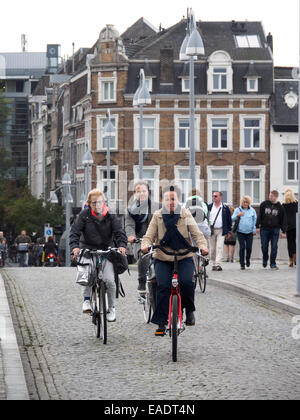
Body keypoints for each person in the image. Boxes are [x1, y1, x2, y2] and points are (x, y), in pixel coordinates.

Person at [141, 185, 208, 336]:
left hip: (184, 256)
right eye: (167, 199)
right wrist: (145, 245)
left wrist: (203, 247)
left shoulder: (186, 215)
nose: (170, 202)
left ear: (178, 200)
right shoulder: (157, 216)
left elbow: (197, 235)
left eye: (173, 199)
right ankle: (161, 321)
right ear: (162, 200)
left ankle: (189, 311)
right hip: (163, 257)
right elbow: (148, 236)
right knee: (163, 285)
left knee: (186, 283)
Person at [70, 189, 127, 322]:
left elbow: (119, 231)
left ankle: (111, 308)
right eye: (94, 203)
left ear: (104, 202)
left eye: (100, 202)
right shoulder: (84, 215)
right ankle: (86, 300)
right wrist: (75, 247)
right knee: (87, 275)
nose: (97, 205)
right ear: (89, 204)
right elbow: (75, 232)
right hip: (88, 249)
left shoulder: (111, 216)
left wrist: (122, 245)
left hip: (106, 251)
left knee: (110, 281)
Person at [125, 181, 159, 292]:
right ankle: (142, 281)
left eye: (144, 191)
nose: (141, 194)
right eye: (138, 191)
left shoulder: (157, 207)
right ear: (135, 194)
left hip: (155, 239)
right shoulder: (130, 210)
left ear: (148, 192)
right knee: (144, 255)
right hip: (139, 240)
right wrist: (131, 236)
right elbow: (129, 225)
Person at [256, 190, 287, 270]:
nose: (270, 197)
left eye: (271, 196)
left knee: (274, 247)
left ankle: (273, 263)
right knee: (264, 246)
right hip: (264, 229)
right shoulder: (264, 204)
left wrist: (283, 231)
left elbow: (283, 220)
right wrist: (257, 226)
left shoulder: (280, 207)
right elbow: (259, 215)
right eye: (269, 196)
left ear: (276, 197)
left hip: (275, 229)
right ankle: (265, 258)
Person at [208, 191, 232, 271]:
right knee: (212, 249)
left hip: (221, 230)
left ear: (220, 197)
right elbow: (205, 218)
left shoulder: (225, 208)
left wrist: (229, 231)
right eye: (213, 196)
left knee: (219, 247)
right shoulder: (209, 207)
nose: (214, 197)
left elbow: (229, 220)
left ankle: (217, 264)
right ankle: (214, 263)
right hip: (211, 230)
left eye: (216, 196)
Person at [232, 196, 257, 270]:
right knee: (242, 247)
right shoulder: (238, 209)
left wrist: (254, 230)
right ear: (242, 203)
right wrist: (238, 215)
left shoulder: (252, 210)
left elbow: (254, 221)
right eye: (244, 202)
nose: (245, 204)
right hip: (240, 232)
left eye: (247, 202)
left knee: (249, 248)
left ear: (249, 203)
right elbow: (232, 218)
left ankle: (248, 259)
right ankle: (242, 263)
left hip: (249, 232)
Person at [282, 188, 298, 267]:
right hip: (296, 226)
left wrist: (283, 229)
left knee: (290, 243)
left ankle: (291, 260)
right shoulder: (296, 204)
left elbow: (282, 218)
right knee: (296, 242)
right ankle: (296, 258)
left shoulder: (283, 205)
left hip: (288, 227)